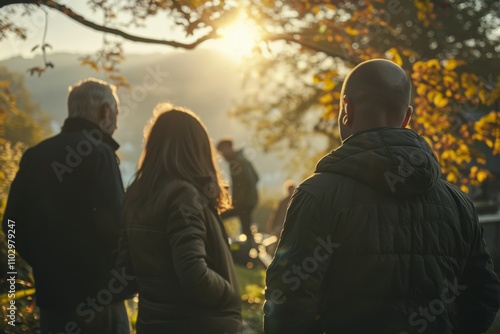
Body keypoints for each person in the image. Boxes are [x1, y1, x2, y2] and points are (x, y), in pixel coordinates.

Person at [264, 59, 500, 333]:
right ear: (407, 117)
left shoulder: (318, 196)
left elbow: (289, 302)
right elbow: (484, 294)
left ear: (346, 109)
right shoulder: (459, 205)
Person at [2, 78, 130, 333]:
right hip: (101, 300)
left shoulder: (35, 155)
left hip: (54, 303)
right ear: (105, 111)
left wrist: (43, 262)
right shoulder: (100, 154)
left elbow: (11, 224)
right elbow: (119, 226)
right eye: (116, 112)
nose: (116, 119)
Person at [117, 104, 242, 334]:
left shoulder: (135, 194)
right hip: (197, 323)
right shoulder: (183, 195)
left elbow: (127, 269)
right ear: (196, 149)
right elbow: (193, 271)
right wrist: (229, 293)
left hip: (153, 324)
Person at [217, 138, 259, 240]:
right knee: (246, 228)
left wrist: (238, 201)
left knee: (219, 218)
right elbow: (256, 177)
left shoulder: (236, 162)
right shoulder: (242, 158)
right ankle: (251, 250)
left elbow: (247, 182)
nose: (222, 155)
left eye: (222, 151)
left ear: (228, 148)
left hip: (244, 202)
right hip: (250, 200)